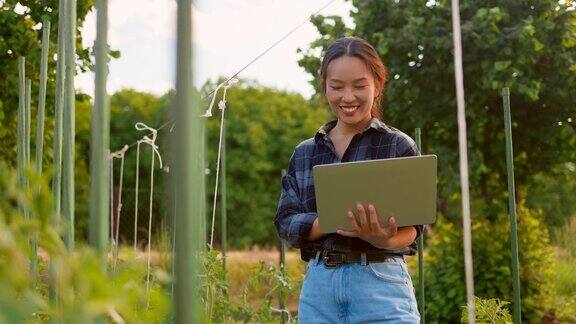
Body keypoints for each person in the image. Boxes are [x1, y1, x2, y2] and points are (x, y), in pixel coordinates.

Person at [274, 36, 422, 323]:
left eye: (359, 85)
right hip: (321, 288)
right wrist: (324, 222)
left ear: (377, 85)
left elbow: (415, 227)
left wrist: (383, 237)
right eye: (337, 87)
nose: (348, 97)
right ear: (325, 87)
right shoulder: (305, 152)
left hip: (380, 284)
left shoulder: (397, 146)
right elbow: (285, 222)